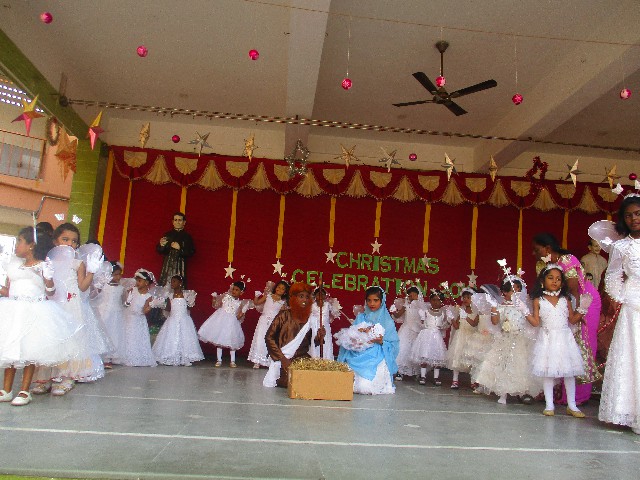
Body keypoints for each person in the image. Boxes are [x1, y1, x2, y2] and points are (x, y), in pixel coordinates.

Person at [0, 227, 84, 406]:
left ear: (31, 245)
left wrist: (48, 277)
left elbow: (50, 291)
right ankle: (6, 389)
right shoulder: (13, 265)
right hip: (13, 310)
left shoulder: (42, 266)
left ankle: (24, 390)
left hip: (34, 311)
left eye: (20, 241)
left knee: (30, 349)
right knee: (11, 348)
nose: (17, 245)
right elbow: (8, 290)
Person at [32, 223, 111, 396]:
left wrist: (91, 272)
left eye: (74, 241)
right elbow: (46, 287)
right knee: (52, 340)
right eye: (65, 239)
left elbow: (82, 286)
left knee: (71, 341)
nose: (70, 244)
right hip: (53, 305)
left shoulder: (77, 263)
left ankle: (67, 377)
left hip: (71, 306)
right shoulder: (48, 261)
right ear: (55, 241)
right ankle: (46, 378)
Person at [532, 232, 601, 404]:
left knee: (580, 343)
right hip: (560, 303)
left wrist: (576, 315)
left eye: (537, 250)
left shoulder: (567, 260)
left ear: (548, 248)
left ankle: (578, 396)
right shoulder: (542, 264)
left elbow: (573, 290)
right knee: (557, 346)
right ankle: (557, 392)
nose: (534, 253)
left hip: (584, 301)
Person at [523, 264, 588, 417]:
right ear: (542, 281)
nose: (554, 281)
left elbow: (572, 320)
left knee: (569, 372)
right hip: (547, 339)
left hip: (565, 339)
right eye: (551, 278)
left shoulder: (565, 299)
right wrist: (524, 311)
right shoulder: (538, 300)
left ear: (562, 282)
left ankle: (572, 405)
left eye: (558, 279)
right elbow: (535, 322)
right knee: (548, 372)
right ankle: (549, 405)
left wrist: (583, 309)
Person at [598, 195, 640, 434]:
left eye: (638, 213)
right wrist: (622, 297)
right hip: (633, 306)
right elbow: (613, 276)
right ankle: (631, 412)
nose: (634, 219)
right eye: (628, 215)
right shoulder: (621, 246)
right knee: (633, 355)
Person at [474, 279, 539, 404]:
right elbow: (495, 322)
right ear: (505, 292)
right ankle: (502, 393)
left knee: (520, 366)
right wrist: (494, 307)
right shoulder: (502, 306)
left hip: (520, 340)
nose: (516, 292)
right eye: (513, 290)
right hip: (505, 339)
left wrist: (525, 311)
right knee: (504, 365)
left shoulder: (523, 306)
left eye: (518, 289)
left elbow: (533, 323)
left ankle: (522, 392)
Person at [337, 286, 399, 395]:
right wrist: (356, 339)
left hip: (376, 357)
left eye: (376, 300)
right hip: (357, 354)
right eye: (369, 300)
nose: (372, 303)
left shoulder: (387, 321)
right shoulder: (361, 317)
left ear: (382, 301)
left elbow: (393, 345)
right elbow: (352, 335)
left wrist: (381, 342)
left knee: (364, 387)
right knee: (346, 384)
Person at [264, 282, 325, 388]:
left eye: (307, 297)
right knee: (293, 380)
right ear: (293, 298)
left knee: (316, 380)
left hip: (303, 360)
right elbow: (269, 337)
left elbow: (311, 342)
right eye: (301, 296)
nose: (305, 300)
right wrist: (283, 359)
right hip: (283, 360)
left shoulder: (311, 319)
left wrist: (319, 337)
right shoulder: (283, 315)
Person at [152, 275, 204, 366]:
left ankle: (185, 357)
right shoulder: (170, 295)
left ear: (180, 283)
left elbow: (189, 307)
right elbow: (168, 308)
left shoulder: (187, 295)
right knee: (171, 337)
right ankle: (170, 355)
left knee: (184, 337)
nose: (172, 283)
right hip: (172, 319)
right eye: (171, 281)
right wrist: (160, 304)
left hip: (184, 320)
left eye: (174, 281)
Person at [198, 281, 250, 368]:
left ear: (241, 292)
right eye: (233, 289)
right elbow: (216, 305)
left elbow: (238, 317)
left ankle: (232, 361)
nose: (234, 291)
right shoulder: (226, 297)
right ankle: (219, 360)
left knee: (232, 341)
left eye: (237, 290)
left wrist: (243, 311)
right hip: (220, 320)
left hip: (232, 322)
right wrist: (214, 298)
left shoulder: (239, 303)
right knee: (219, 340)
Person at [410, 290, 449, 386]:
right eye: (434, 300)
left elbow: (444, 325)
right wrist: (423, 320)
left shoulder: (442, 313)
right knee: (425, 355)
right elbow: (421, 324)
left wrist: (447, 323)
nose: (436, 302)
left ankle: (436, 377)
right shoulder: (425, 312)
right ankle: (423, 376)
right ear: (430, 301)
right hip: (426, 335)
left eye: (438, 300)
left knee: (437, 357)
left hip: (437, 337)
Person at [91, 261, 126, 368]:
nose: (118, 277)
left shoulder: (121, 288)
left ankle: (112, 356)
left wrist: (127, 302)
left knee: (115, 333)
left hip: (117, 313)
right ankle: (104, 357)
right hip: (104, 312)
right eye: (115, 274)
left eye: (119, 274)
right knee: (105, 333)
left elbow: (123, 302)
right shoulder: (104, 286)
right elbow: (95, 296)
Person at [248, 280, 288, 368]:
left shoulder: (282, 302)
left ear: (285, 292)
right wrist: (256, 296)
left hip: (274, 324)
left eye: (282, 289)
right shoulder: (268, 296)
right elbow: (257, 303)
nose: (280, 289)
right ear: (275, 287)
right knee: (260, 339)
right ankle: (257, 361)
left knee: (270, 341)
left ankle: (267, 361)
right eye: (279, 287)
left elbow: (282, 315)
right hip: (263, 321)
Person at [121, 269, 157, 367]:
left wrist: (151, 306)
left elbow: (144, 311)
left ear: (146, 282)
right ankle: (126, 356)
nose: (137, 282)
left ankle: (136, 357)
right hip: (129, 317)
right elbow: (125, 304)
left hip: (139, 319)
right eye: (136, 280)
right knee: (128, 336)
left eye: (139, 281)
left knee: (137, 337)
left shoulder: (148, 296)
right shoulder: (132, 290)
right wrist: (127, 301)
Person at [446, 288, 479, 390]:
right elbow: (456, 326)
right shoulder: (461, 311)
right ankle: (455, 380)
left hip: (471, 337)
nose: (465, 299)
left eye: (468, 297)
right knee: (457, 357)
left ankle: (473, 381)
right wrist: (451, 318)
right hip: (460, 336)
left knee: (471, 358)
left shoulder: (477, 312)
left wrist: (466, 317)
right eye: (464, 297)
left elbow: (474, 324)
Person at [391, 286, 423, 381]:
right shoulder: (406, 306)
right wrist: (393, 310)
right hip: (406, 330)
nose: (411, 297)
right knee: (403, 349)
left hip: (418, 331)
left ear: (418, 295)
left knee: (416, 350)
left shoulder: (422, 307)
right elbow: (398, 315)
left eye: (414, 295)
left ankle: (416, 372)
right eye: (410, 295)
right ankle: (400, 371)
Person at [156, 212, 195, 287]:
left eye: (180, 220)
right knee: (165, 284)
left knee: (178, 285)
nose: (177, 222)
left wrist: (180, 248)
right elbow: (160, 251)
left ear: (184, 222)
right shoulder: (167, 235)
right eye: (175, 220)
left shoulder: (187, 237)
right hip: (167, 265)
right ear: (173, 222)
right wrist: (161, 245)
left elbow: (191, 252)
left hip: (180, 265)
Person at [308, 287, 339, 360]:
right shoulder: (312, 305)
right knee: (316, 344)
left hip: (325, 328)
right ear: (315, 296)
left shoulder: (327, 304)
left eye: (322, 294)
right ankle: (315, 360)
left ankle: (326, 360)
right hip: (315, 328)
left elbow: (336, 313)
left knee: (326, 344)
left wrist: (333, 305)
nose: (320, 296)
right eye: (318, 294)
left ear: (325, 296)